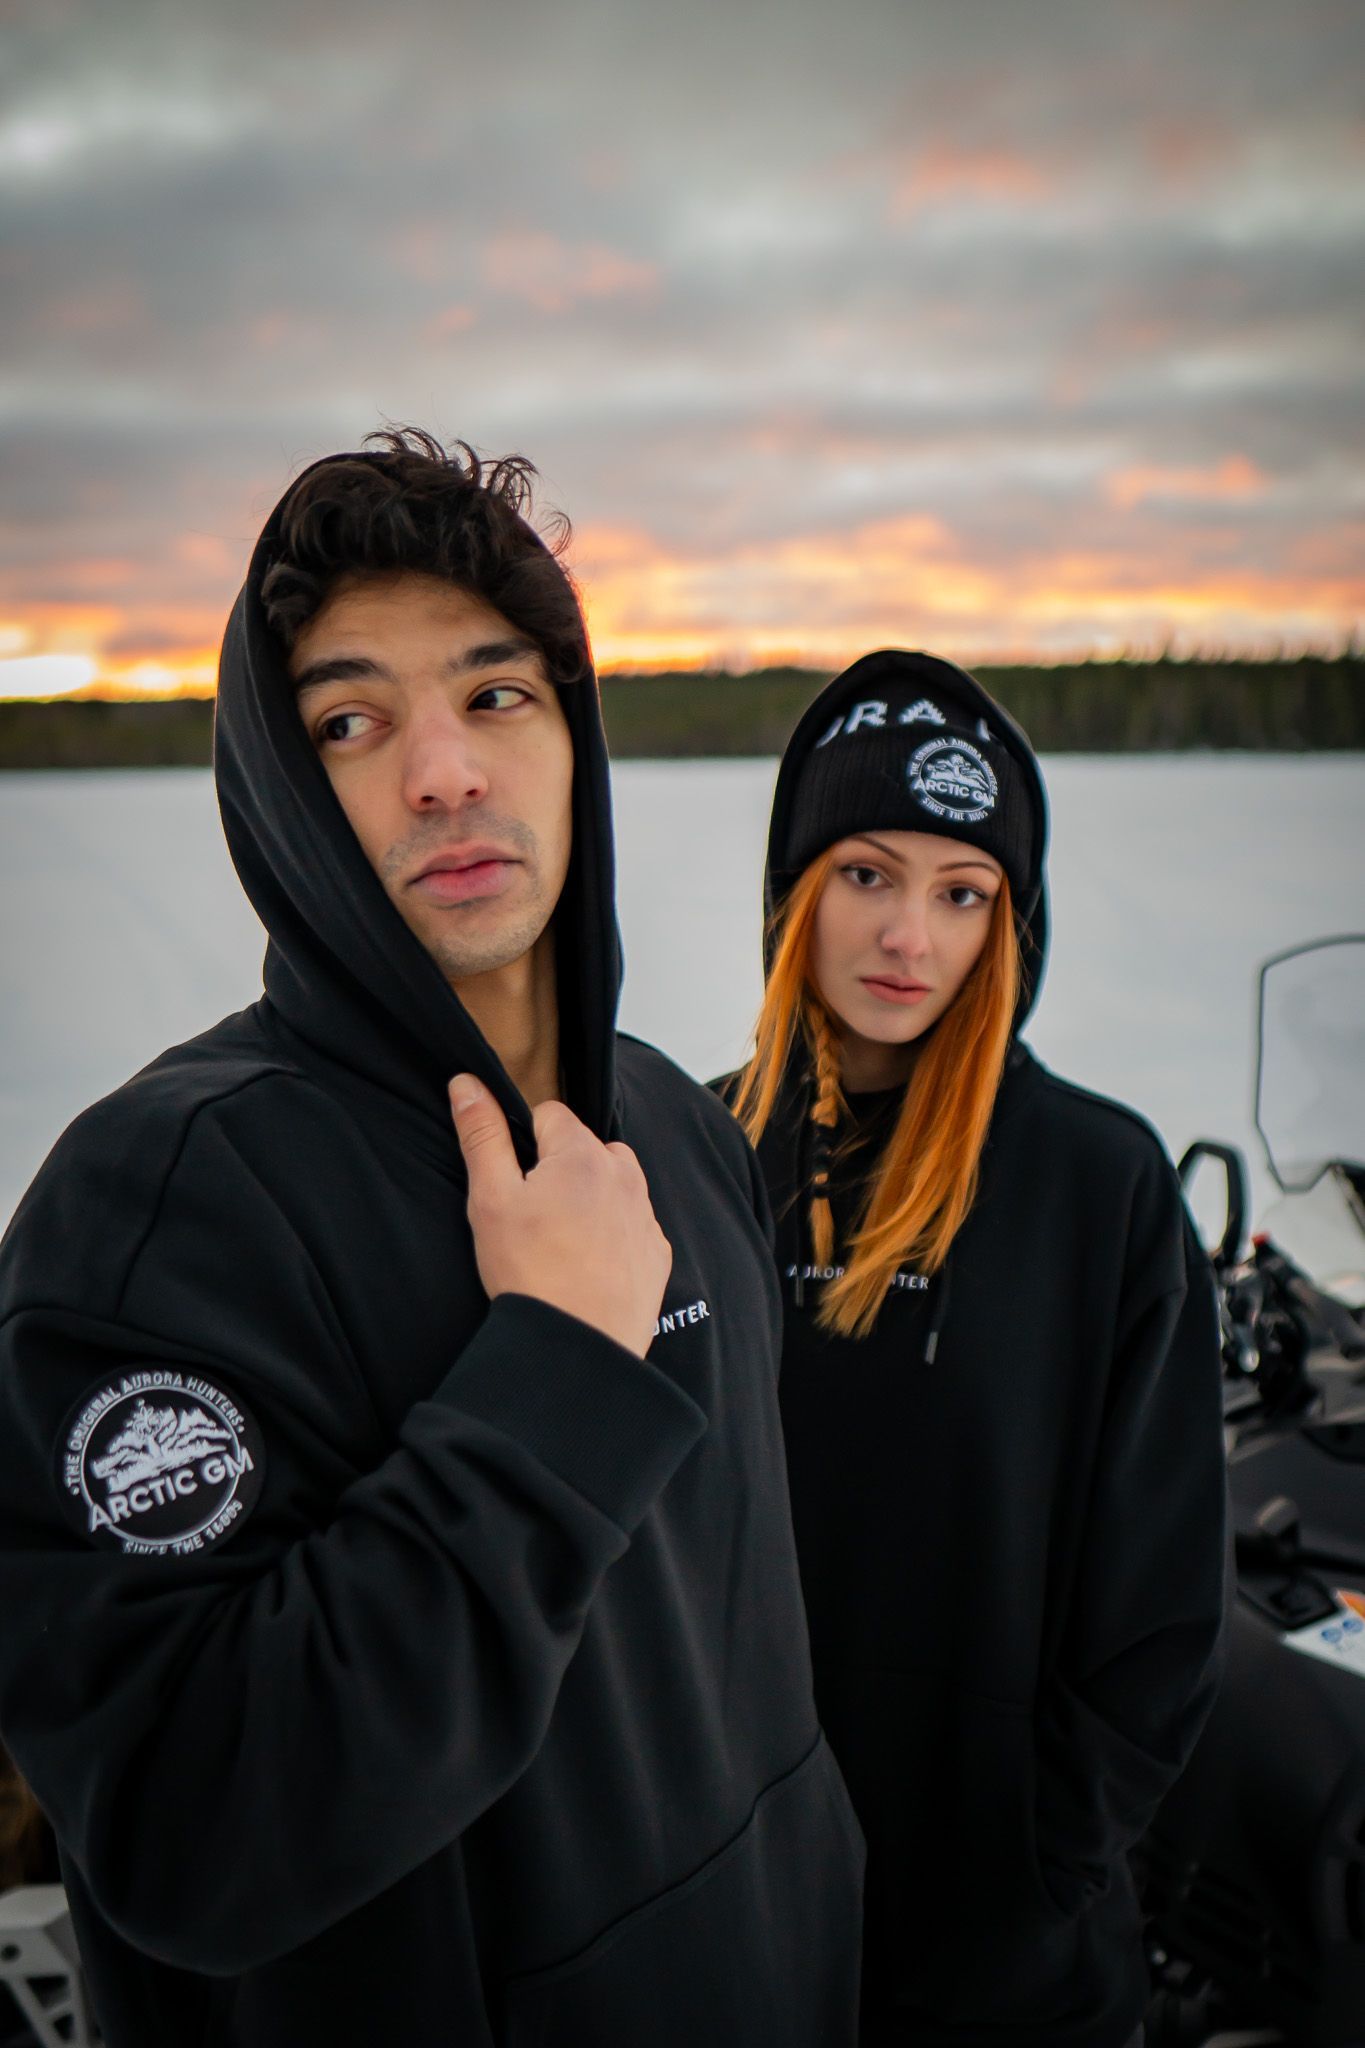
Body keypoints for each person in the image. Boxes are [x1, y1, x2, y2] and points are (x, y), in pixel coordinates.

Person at [0, 431, 863, 2048]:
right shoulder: (163, 1210)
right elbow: (195, 1836)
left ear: (568, 734)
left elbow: (726, 1648)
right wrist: (548, 1380)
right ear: (279, 793)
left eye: (492, 695)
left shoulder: (675, 1131)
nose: (444, 773)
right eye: (350, 722)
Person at [714, 650, 1227, 2048]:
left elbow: (1162, 1595)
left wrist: (1046, 1868)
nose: (909, 939)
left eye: (961, 894)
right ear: (795, 894)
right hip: (726, 1919)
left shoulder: (1093, 1183)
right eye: (866, 876)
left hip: (1007, 1957)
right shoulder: (693, 1158)